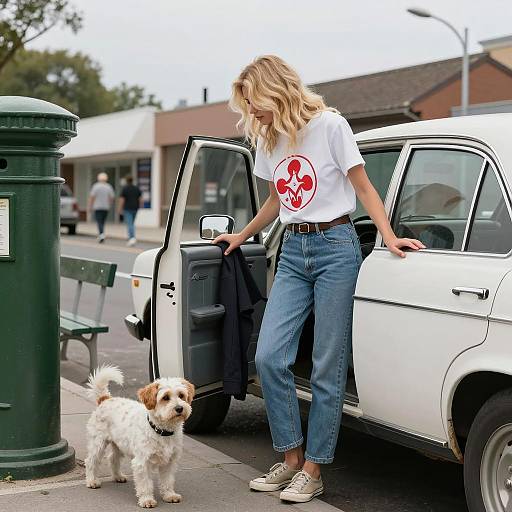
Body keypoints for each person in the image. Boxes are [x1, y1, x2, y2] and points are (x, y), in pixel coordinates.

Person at [211, 55, 426, 504]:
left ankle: (313, 468)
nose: (251, 113)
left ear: (275, 90)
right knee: (270, 356)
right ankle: (290, 458)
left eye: (254, 103)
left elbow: (364, 188)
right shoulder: (269, 139)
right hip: (292, 248)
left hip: (336, 248)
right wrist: (244, 234)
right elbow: (277, 199)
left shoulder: (330, 126)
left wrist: (387, 238)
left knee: (328, 365)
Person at [88, 172, 114, 243]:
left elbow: (92, 197)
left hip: (97, 207)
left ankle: (101, 234)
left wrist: (90, 206)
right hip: (106, 207)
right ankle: (102, 234)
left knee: (99, 221)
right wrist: (110, 204)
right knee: (103, 221)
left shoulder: (96, 186)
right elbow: (111, 197)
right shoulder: (108, 186)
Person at [118, 175, 142, 246]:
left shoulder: (125, 189)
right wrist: (139, 206)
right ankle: (131, 237)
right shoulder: (136, 188)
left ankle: (132, 238)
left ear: (126, 181)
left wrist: (119, 209)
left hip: (127, 208)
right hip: (135, 208)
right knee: (132, 223)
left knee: (129, 224)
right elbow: (140, 199)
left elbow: (122, 200)